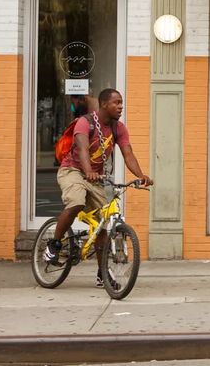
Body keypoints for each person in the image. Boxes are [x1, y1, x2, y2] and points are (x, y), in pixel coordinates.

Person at [43, 89, 153, 287]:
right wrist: (88, 171)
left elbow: (128, 154)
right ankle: (55, 244)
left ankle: (103, 274)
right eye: (116, 103)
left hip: (96, 178)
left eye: (121, 102)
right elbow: (83, 149)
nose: (120, 106)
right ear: (103, 104)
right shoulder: (85, 122)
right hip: (73, 170)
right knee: (76, 202)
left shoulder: (119, 128)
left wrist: (140, 175)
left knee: (102, 223)